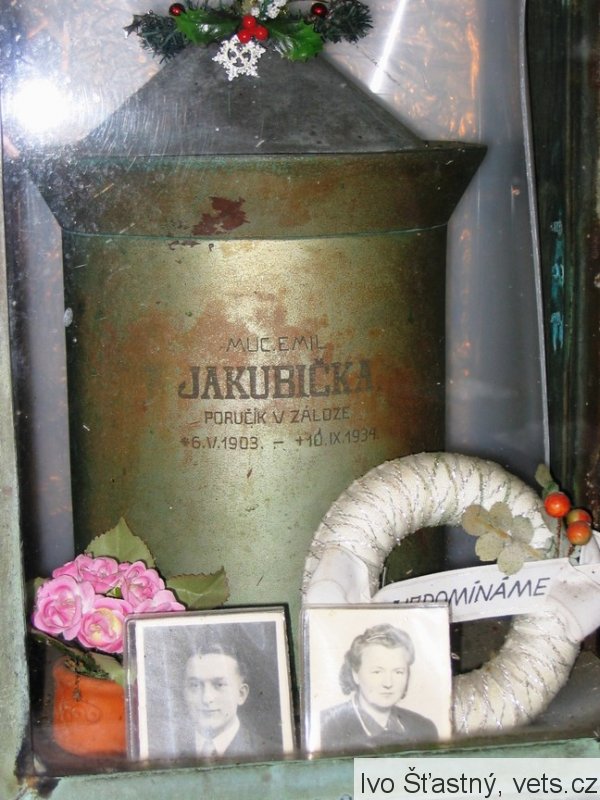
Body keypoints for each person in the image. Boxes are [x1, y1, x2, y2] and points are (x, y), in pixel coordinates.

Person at [320, 623, 438, 752]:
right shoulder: (325, 727)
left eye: (398, 672)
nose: (388, 683)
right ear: (355, 675)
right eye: (377, 672)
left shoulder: (425, 729)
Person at [179, 639, 277, 760]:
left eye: (219, 685)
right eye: (195, 685)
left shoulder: (273, 754)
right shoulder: (165, 748)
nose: (206, 698)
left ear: (241, 694)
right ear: (184, 691)